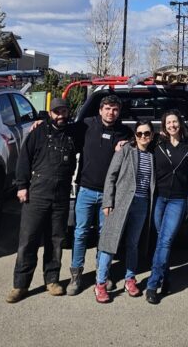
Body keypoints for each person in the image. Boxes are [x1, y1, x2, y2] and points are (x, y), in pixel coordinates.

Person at [7, 98, 77, 304]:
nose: (61, 115)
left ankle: (52, 280)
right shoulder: (36, 133)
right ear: (49, 113)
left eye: (64, 110)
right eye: (56, 112)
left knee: (56, 240)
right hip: (37, 193)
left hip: (61, 195)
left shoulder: (73, 133)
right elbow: (23, 160)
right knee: (28, 240)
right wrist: (21, 186)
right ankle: (20, 285)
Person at [67, 95, 133, 296]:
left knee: (106, 237)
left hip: (109, 194)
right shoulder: (85, 126)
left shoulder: (125, 133)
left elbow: (143, 142)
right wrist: (39, 124)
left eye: (114, 109)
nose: (110, 112)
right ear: (100, 110)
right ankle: (76, 275)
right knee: (80, 233)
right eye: (107, 108)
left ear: (119, 112)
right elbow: (60, 130)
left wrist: (127, 145)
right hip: (86, 190)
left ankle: (102, 275)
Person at [94, 120, 156, 303]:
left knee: (133, 244)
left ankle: (130, 279)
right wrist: (108, 201)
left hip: (142, 204)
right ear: (134, 135)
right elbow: (111, 176)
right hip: (120, 203)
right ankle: (100, 284)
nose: (143, 137)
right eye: (139, 133)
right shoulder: (126, 150)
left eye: (147, 133)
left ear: (152, 135)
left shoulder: (153, 155)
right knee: (109, 243)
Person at [146, 109, 188, 304]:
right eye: (168, 123)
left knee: (165, 240)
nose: (172, 125)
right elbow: (139, 140)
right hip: (159, 198)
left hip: (178, 199)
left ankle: (152, 284)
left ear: (180, 124)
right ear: (164, 127)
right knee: (160, 239)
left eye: (175, 122)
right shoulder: (157, 144)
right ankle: (166, 278)